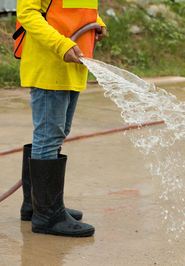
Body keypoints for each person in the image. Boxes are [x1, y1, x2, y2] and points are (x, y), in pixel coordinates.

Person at [16, 0, 106, 237]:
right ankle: (47, 217)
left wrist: (97, 24)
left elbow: (76, 10)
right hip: (50, 64)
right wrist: (60, 44)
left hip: (72, 65)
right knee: (48, 137)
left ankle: (36, 206)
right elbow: (27, 13)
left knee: (56, 134)